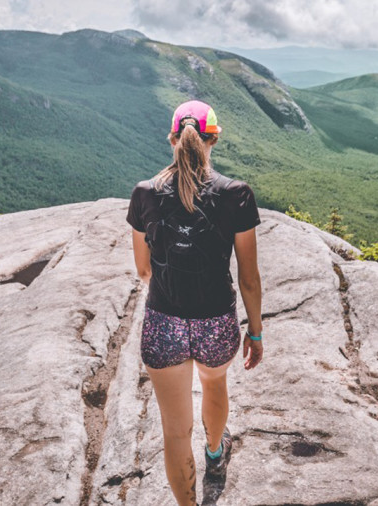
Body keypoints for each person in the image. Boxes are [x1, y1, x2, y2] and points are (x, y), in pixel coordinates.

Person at [126, 100, 264, 505]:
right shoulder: (235, 194)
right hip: (215, 320)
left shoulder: (144, 193)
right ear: (213, 139)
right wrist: (254, 332)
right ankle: (216, 453)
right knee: (214, 383)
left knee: (174, 430)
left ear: (172, 139)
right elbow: (250, 277)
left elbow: (143, 269)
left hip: (163, 321)